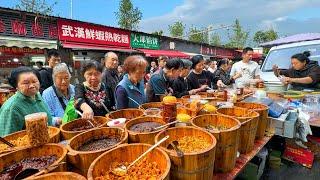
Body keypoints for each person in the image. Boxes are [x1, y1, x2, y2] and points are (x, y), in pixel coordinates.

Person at [0, 67, 53, 136]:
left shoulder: (37, 95)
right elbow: (8, 140)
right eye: (26, 83)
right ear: (16, 86)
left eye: (34, 81)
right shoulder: (12, 108)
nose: (31, 86)